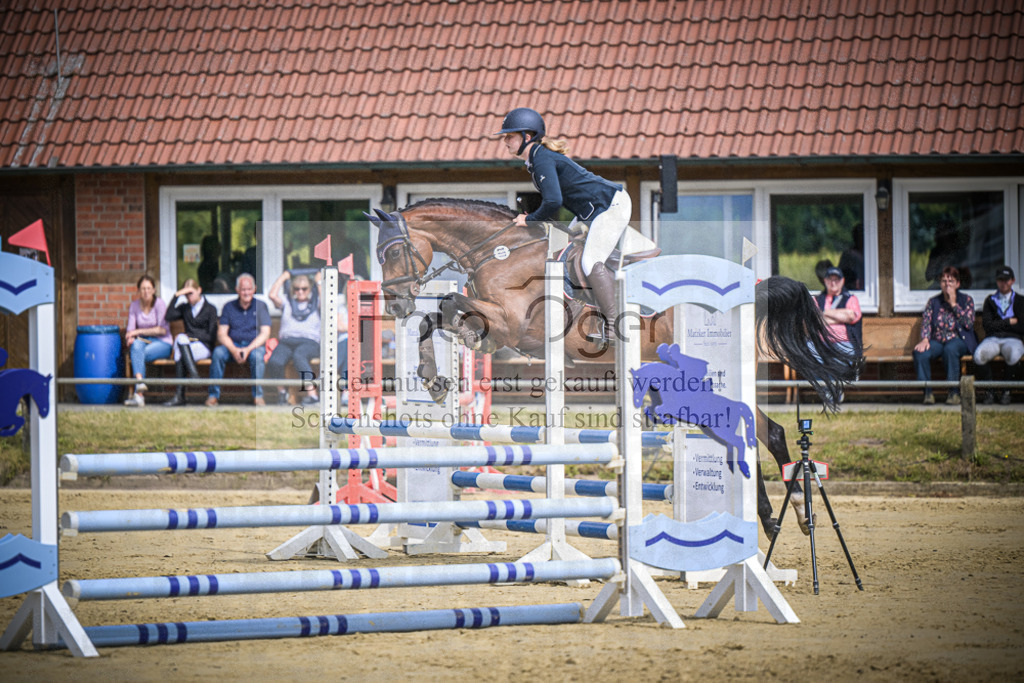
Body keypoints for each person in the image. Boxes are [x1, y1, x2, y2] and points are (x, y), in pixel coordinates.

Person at [497, 107, 631, 344]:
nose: (505, 141)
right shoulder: (537, 158)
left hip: (611, 206)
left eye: (510, 136)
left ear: (527, 136)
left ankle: (613, 325)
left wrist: (529, 219)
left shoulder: (541, 159)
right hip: (593, 212)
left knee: (590, 261)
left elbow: (553, 202)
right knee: (565, 251)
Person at [206, 273, 271, 407]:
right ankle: (213, 395)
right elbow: (221, 334)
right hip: (233, 345)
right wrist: (234, 350)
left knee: (258, 357)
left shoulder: (261, 306)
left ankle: (258, 396)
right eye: (243, 289)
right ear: (237, 290)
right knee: (218, 353)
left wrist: (248, 349)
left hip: (254, 346)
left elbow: (265, 333)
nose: (246, 293)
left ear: (254, 289)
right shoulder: (228, 307)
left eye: (249, 289)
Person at [913, 266, 976, 405]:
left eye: (951, 281)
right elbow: (926, 322)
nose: (947, 284)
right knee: (920, 353)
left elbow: (968, 324)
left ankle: (954, 393)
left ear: (957, 284)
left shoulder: (966, 300)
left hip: (958, 340)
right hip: (937, 341)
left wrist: (953, 304)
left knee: (950, 349)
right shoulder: (933, 302)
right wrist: (925, 339)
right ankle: (927, 393)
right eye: (944, 281)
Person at [266, 271, 322, 405]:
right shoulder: (287, 302)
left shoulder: (316, 302)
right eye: (297, 288)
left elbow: (327, 301)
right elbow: (272, 295)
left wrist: (319, 281)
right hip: (287, 341)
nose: (300, 291)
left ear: (310, 289)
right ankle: (282, 393)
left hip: (309, 342)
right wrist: (283, 277)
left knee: (299, 356)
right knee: (275, 361)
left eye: (304, 288)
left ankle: (312, 395)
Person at [162, 278, 218, 407]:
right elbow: (168, 316)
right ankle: (194, 375)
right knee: (181, 341)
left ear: (199, 290)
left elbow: (211, 336)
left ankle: (180, 396)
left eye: (191, 293)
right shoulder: (185, 308)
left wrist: (191, 336)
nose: (189, 297)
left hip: (204, 347)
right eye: (186, 295)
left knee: (180, 344)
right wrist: (176, 295)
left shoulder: (210, 309)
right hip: (187, 346)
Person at [974, 266, 1023, 405]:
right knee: (979, 356)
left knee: (1014, 354)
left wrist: (999, 324)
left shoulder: (1020, 301)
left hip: (1014, 338)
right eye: (1001, 280)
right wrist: (1009, 322)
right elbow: (988, 326)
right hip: (993, 338)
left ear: (1012, 281)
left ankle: (1006, 391)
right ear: (996, 281)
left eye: (1006, 280)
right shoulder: (990, 300)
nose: (1003, 283)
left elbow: (1022, 327)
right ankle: (990, 391)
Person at [813, 267, 862, 404]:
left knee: (839, 356)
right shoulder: (818, 299)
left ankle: (832, 390)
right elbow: (814, 320)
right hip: (820, 342)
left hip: (844, 341)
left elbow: (851, 316)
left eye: (836, 280)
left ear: (842, 281)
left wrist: (825, 313)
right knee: (809, 353)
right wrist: (841, 316)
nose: (833, 283)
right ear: (825, 281)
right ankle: (829, 390)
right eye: (830, 279)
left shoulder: (851, 299)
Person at [123, 275, 172, 407]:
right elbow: (130, 330)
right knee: (136, 345)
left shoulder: (159, 304)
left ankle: (138, 395)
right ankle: (140, 383)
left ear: (154, 290)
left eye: (149, 288)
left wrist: (137, 332)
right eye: (143, 288)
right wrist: (130, 338)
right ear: (139, 290)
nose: (146, 292)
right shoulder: (134, 306)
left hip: (162, 342)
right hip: (144, 341)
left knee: (138, 353)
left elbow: (162, 330)